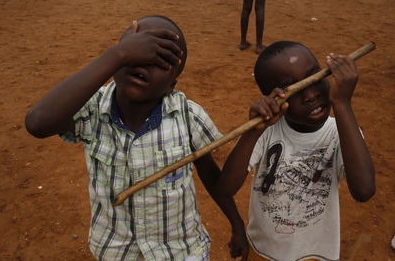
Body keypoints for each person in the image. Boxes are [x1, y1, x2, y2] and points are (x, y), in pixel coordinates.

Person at [25, 15, 248, 260]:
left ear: (172, 84)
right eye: (135, 53)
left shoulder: (188, 116)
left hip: (180, 252)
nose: (142, 64)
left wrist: (236, 224)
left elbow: (211, 176)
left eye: (160, 60)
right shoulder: (91, 110)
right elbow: (38, 123)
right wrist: (117, 55)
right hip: (115, 252)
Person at [217, 41, 375, 260]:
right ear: (271, 98)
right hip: (262, 251)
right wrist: (252, 131)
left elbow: (364, 190)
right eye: (294, 89)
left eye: (314, 78)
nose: (310, 95)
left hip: (316, 255)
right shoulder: (265, 131)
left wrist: (342, 104)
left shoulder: (341, 132)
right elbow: (225, 188)